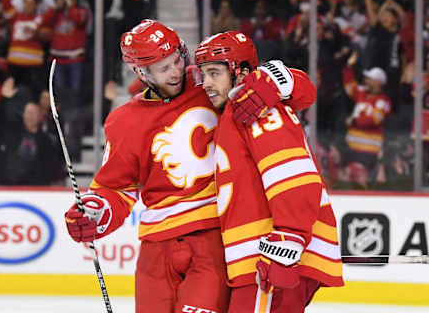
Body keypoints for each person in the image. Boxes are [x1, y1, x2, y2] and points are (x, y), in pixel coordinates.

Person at [63, 19, 232, 313]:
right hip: (157, 250)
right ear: (141, 72)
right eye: (163, 68)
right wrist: (95, 211)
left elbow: (284, 89)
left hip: (212, 240)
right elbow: (116, 189)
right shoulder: (124, 121)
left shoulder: (210, 82)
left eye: (178, 59)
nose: (177, 70)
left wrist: (273, 84)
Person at [194, 31, 344, 312]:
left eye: (214, 73)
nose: (207, 83)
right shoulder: (233, 113)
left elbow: (292, 173)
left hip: (270, 254)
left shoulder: (256, 108)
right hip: (255, 261)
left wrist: (289, 237)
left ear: (241, 73)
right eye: (204, 74)